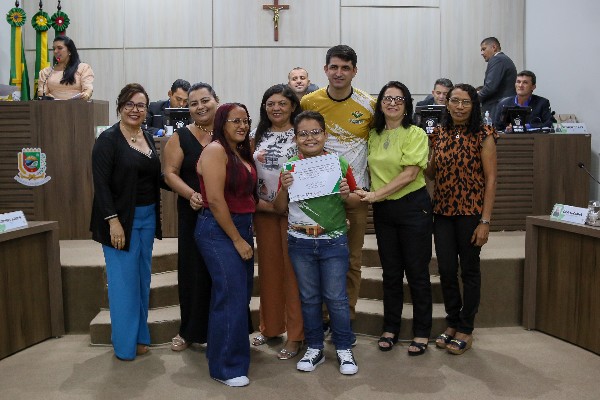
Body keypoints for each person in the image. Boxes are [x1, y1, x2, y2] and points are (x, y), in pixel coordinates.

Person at [274, 110, 360, 375]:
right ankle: (314, 347)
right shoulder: (289, 167)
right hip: (300, 242)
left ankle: (343, 347)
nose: (309, 138)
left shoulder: (339, 164)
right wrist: (284, 188)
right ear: (295, 138)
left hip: (333, 241)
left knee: (336, 297)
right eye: (303, 134)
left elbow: (355, 201)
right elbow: (279, 208)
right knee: (309, 298)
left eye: (315, 132)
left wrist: (346, 194)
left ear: (325, 134)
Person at [300, 45, 375, 335]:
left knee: (352, 260)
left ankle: (346, 319)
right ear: (325, 70)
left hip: (355, 196)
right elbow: (301, 141)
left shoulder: (369, 105)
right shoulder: (309, 101)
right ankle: (322, 318)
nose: (339, 73)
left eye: (345, 67)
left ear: (355, 71)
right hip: (318, 196)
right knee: (317, 257)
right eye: (334, 67)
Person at [355, 81, 433, 356]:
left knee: (417, 272)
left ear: (407, 105)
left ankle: (422, 331)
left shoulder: (415, 133)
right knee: (390, 272)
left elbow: (410, 174)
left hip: (413, 208)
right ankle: (390, 328)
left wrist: (375, 195)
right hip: (385, 211)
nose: (392, 103)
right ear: (380, 104)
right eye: (387, 98)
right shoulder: (373, 135)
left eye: (399, 99)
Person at [90, 83, 162, 361]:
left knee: (142, 281)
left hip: (146, 219)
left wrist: (187, 187)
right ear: (120, 107)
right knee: (123, 286)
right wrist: (113, 222)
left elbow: (154, 177)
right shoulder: (108, 140)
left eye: (141, 105)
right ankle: (124, 345)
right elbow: (101, 185)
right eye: (129, 104)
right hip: (120, 222)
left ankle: (140, 337)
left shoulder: (146, 136)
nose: (135, 110)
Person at [425, 83, 498, 355]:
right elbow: (431, 173)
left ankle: (466, 327)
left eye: (465, 102)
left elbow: (491, 179)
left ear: (473, 105)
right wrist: (424, 157)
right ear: (447, 103)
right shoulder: (439, 132)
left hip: (470, 213)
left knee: (469, 271)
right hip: (442, 212)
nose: (459, 106)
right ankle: (453, 322)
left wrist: (485, 221)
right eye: (454, 101)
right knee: (445, 270)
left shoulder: (484, 134)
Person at [194, 103, 257, 387]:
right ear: (222, 123)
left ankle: (223, 354)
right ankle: (226, 368)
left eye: (246, 120)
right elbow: (216, 201)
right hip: (219, 230)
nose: (242, 126)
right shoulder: (215, 150)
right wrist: (237, 239)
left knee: (237, 296)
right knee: (231, 296)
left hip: (241, 226)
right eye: (236, 121)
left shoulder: (239, 151)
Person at [163, 82, 219, 351]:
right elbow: (169, 173)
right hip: (192, 212)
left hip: (225, 213)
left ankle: (224, 329)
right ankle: (189, 331)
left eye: (205, 100)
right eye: (193, 103)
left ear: (216, 100)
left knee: (223, 273)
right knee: (192, 272)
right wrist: (190, 194)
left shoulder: (229, 132)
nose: (200, 107)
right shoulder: (180, 137)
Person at [250, 85, 304, 360]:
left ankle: (295, 335)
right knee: (269, 270)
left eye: (282, 103)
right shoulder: (256, 135)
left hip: (296, 212)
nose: (276, 108)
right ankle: (270, 327)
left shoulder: (302, 133)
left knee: (293, 274)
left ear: (293, 106)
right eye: (270, 103)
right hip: (264, 211)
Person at [37, 35, 94, 100]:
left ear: (69, 51)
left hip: (77, 105)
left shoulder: (83, 68)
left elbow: (88, 89)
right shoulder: (46, 72)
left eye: (59, 48)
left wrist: (86, 94)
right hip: (52, 105)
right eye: (54, 48)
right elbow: (42, 93)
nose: (55, 51)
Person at [478, 37, 517, 120]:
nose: (482, 53)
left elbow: (490, 87)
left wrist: (474, 98)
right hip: (504, 107)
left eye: (484, 49)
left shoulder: (497, 59)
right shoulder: (504, 59)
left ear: (494, 47)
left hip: (497, 108)